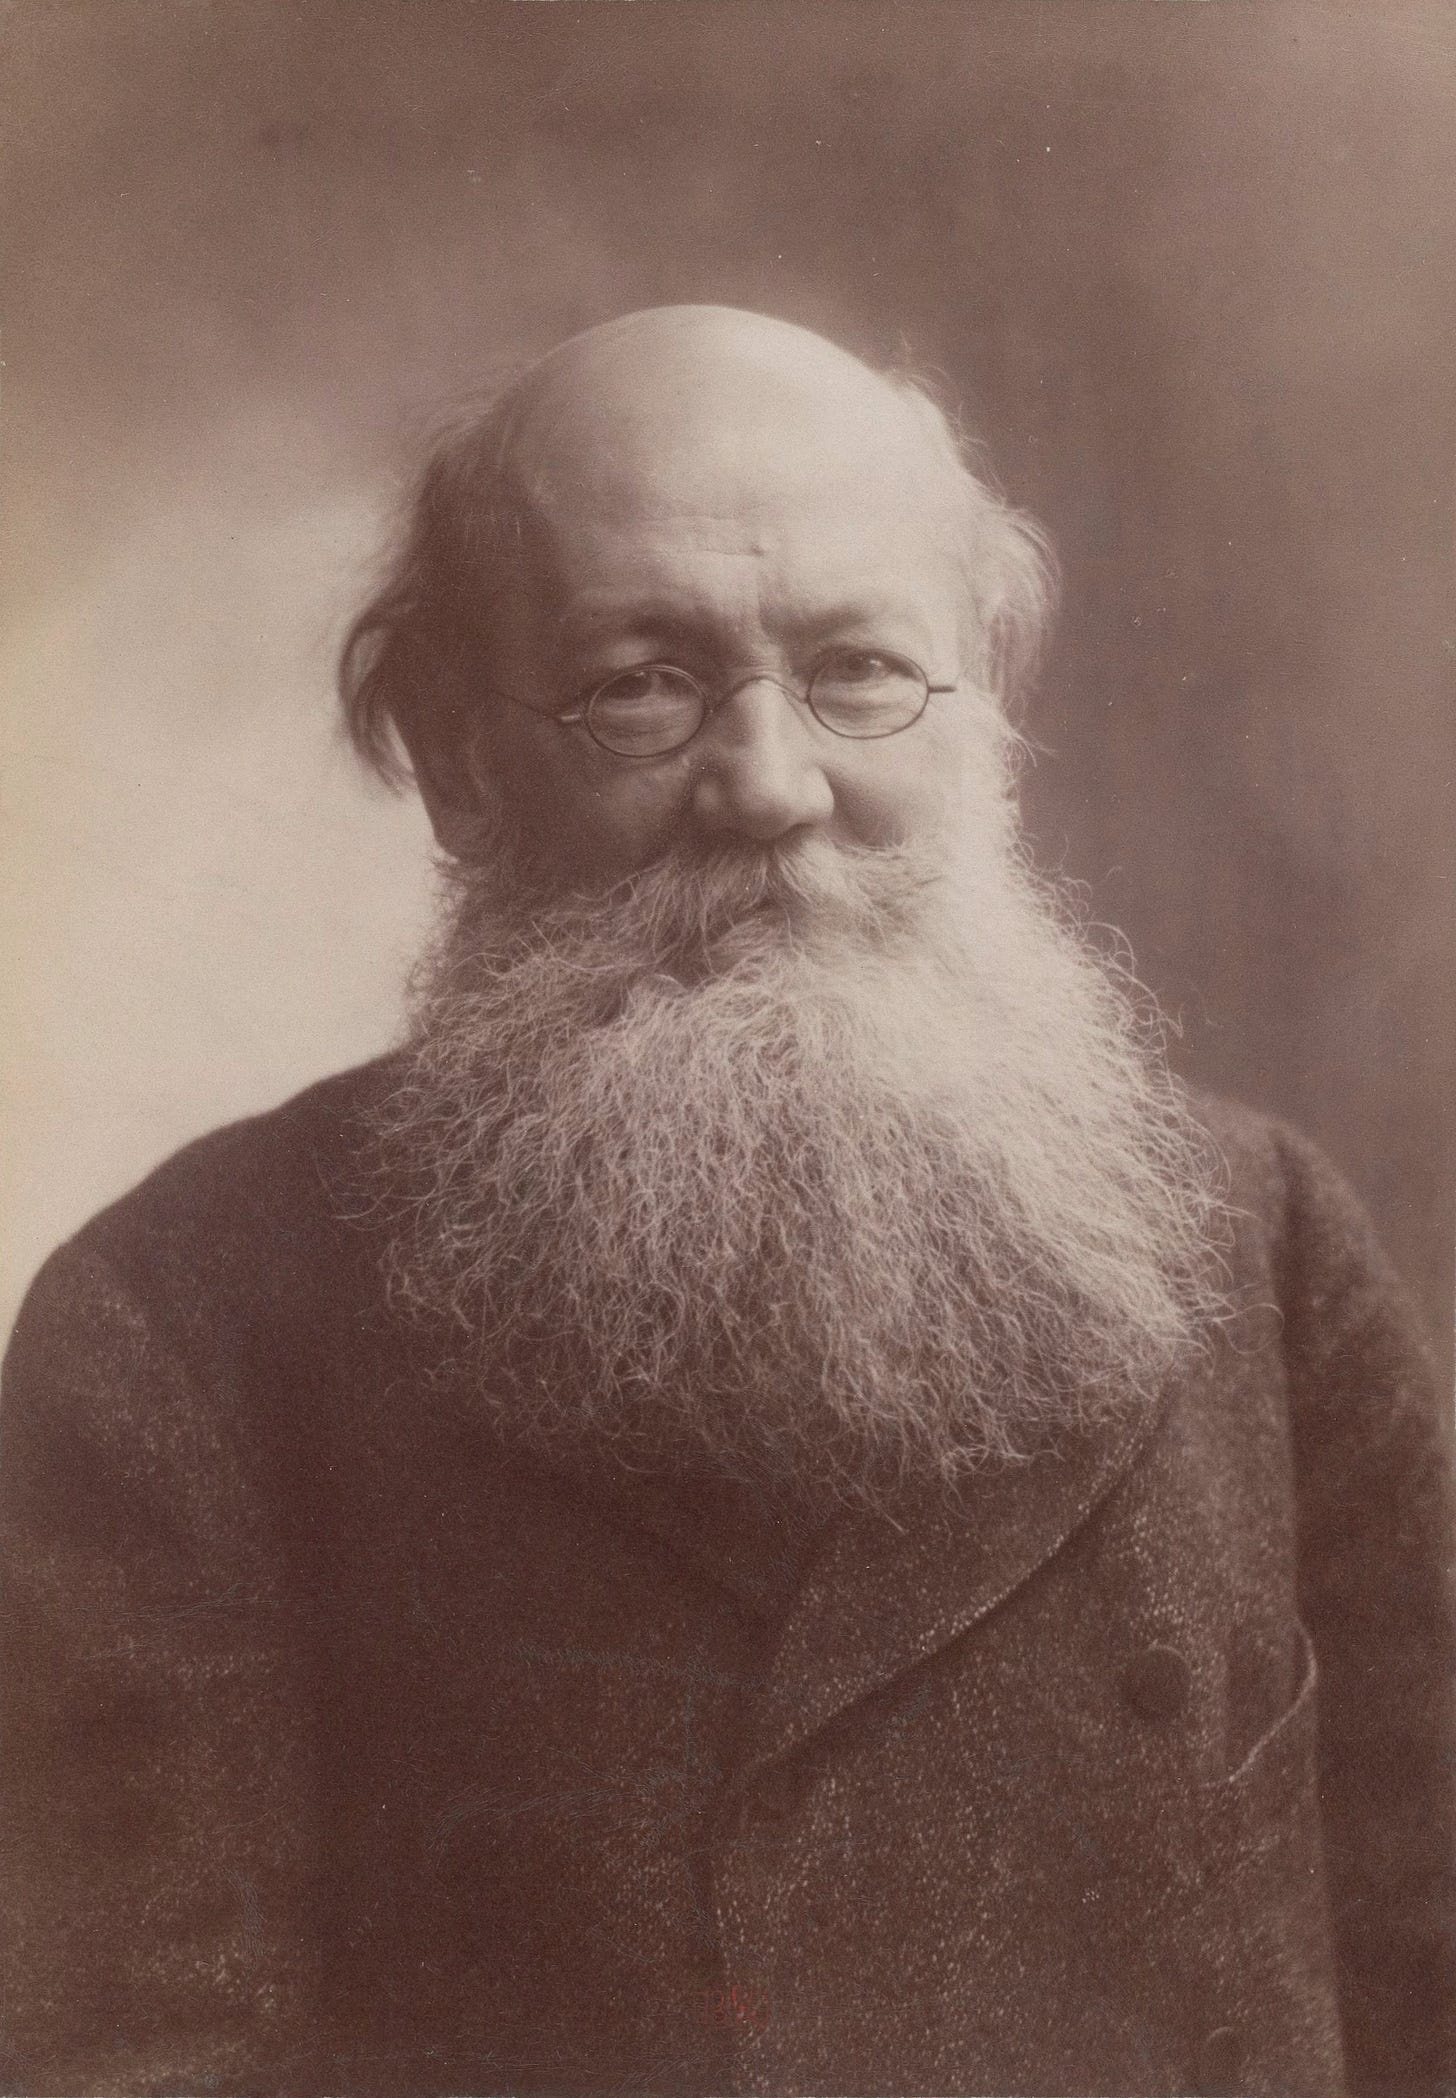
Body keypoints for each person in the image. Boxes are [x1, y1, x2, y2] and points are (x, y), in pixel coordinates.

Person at [1, 305, 1450, 2098]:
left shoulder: (1264, 1246)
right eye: (642, 681)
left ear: (985, 721)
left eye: (861, 669)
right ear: (458, 758)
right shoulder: (177, 1336)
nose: (769, 784)